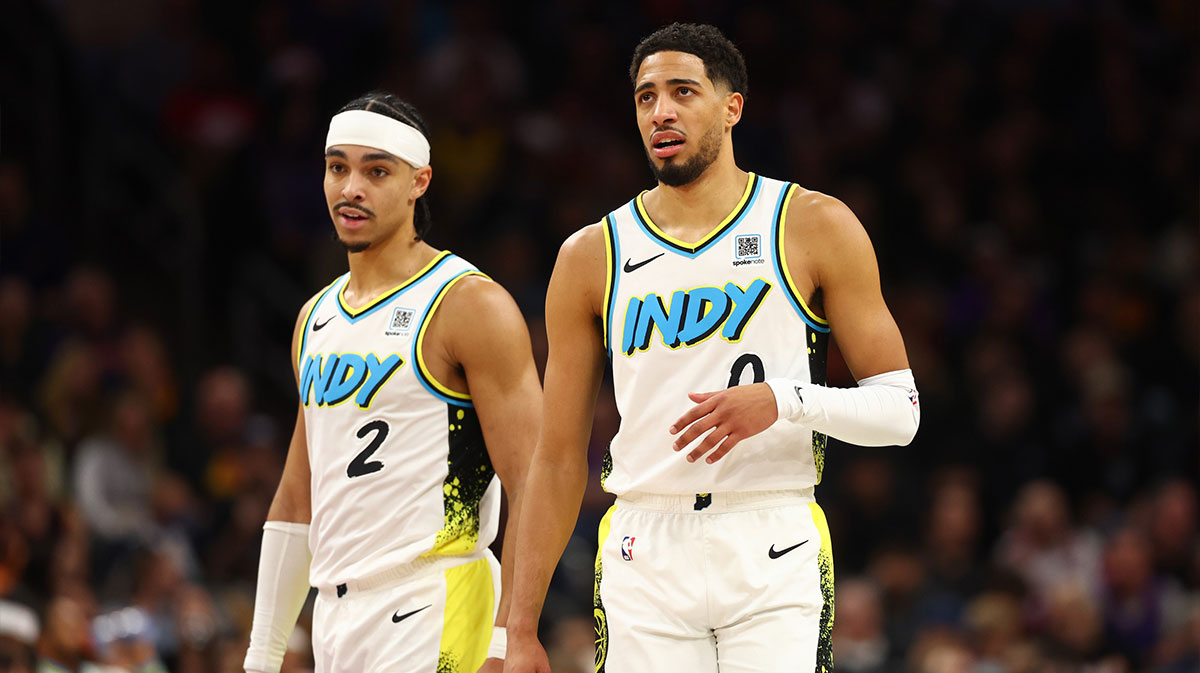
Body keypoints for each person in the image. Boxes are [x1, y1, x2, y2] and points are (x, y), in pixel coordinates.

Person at [504, 23, 920, 673]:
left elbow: (901, 412)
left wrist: (783, 400)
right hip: (643, 544)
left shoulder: (811, 223)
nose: (661, 111)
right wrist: (519, 625)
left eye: (682, 92)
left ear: (733, 107)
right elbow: (556, 457)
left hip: (772, 534)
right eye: (645, 97)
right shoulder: (591, 255)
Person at [244, 92, 541, 673]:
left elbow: (535, 478)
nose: (351, 188)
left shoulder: (468, 303)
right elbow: (298, 496)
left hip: (436, 601)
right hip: (335, 617)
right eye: (338, 168)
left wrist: (511, 634)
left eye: (376, 170)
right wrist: (263, 652)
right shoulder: (316, 317)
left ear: (419, 182)